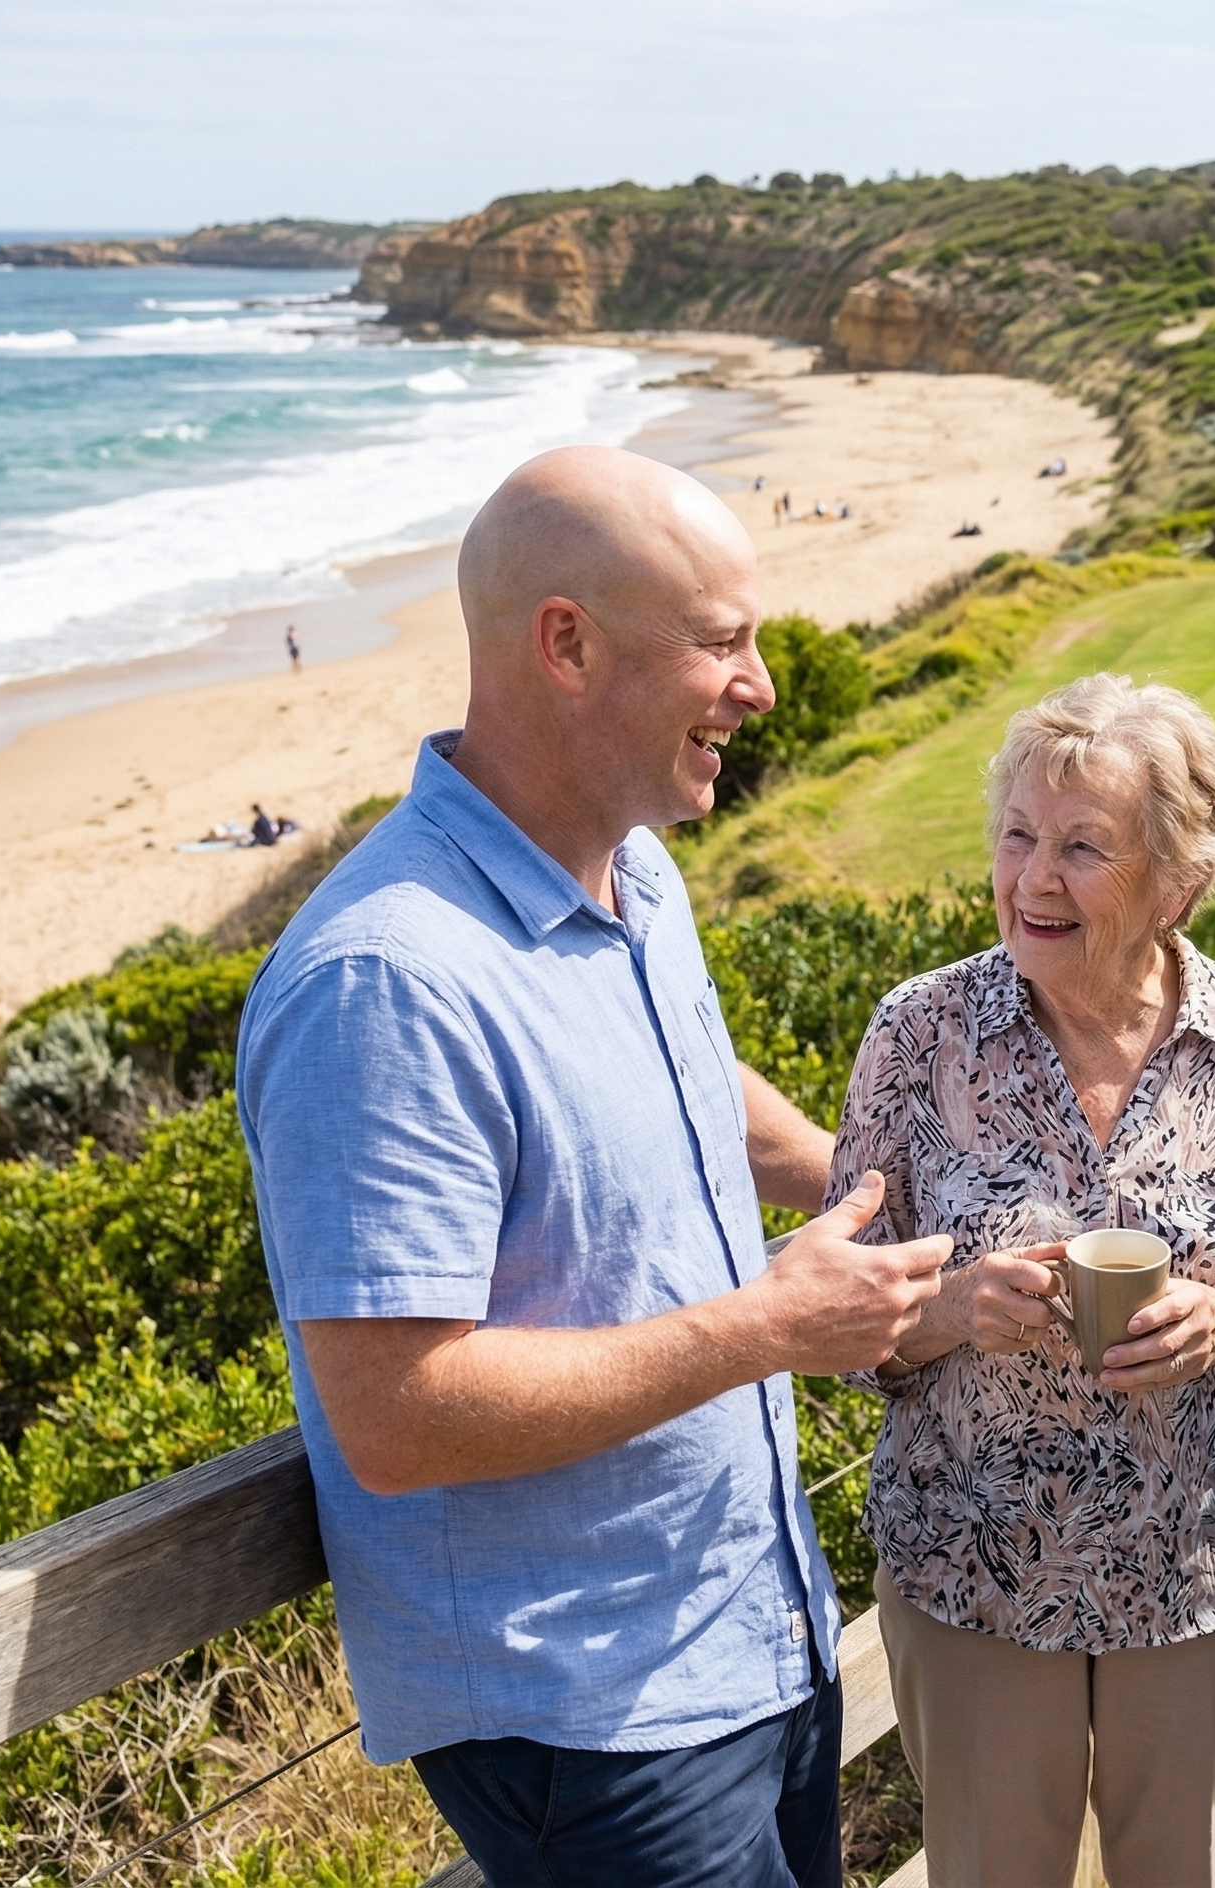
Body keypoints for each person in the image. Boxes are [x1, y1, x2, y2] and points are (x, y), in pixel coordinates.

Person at [234, 447, 952, 1888]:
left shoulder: (632, 866)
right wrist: (772, 1328)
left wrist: (851, 1179)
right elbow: (398, 1413)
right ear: (564, 644)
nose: (760, 684)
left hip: (753, 1626)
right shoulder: (387, 982)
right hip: (589, 1714)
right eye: (720, 641)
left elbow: (679, 1085)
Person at [830, 673, 1215, 1888]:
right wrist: (956, 1307)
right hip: (974, 1576)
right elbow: (841, 1314)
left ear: (1179, 881)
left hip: (1199, 1572)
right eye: (1019, 835)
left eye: (1083, 847)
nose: (1033, 877)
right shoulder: (919, 1034)